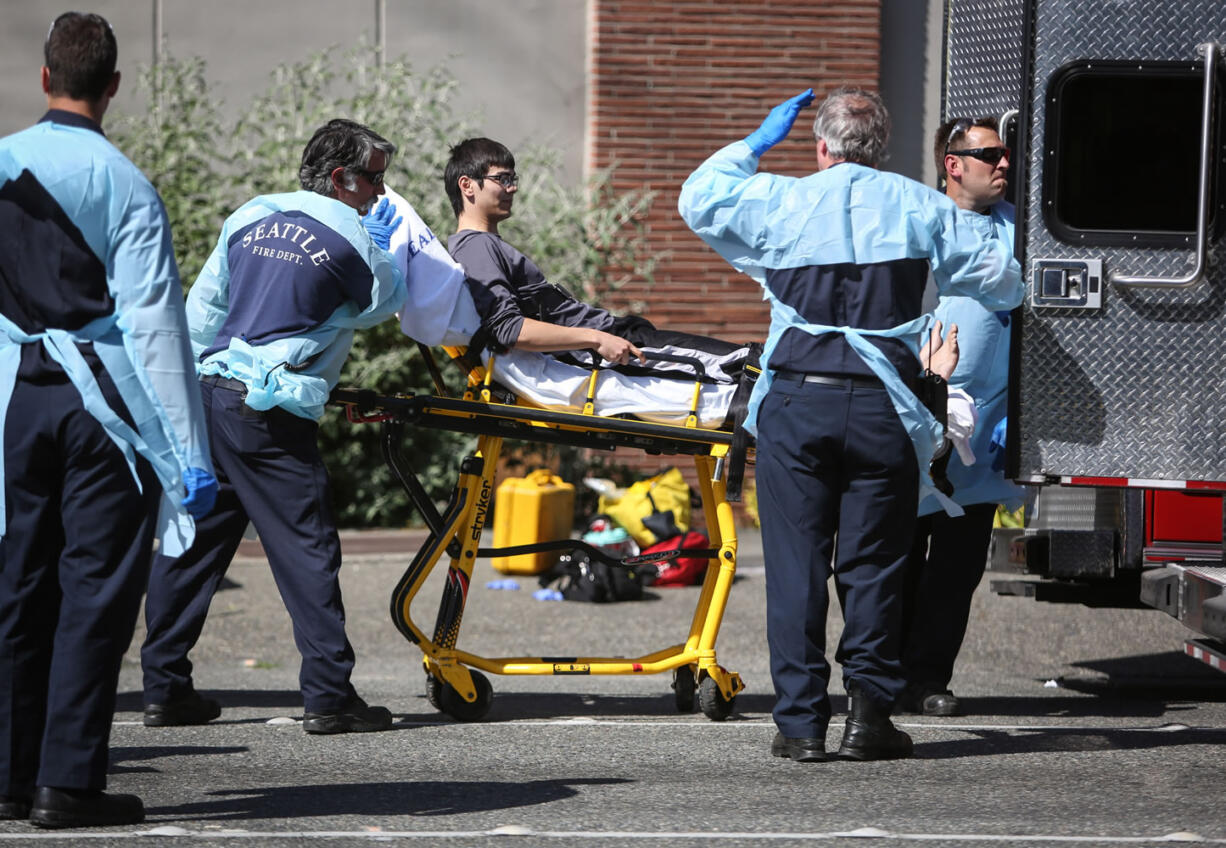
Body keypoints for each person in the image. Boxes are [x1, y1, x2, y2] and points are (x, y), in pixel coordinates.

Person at [679, 87, 1022, 763]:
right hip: (883, 405)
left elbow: (699, 198)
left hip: (797, 401)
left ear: (821, 147)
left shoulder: (781, 198)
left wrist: (754, 143)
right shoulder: (920, 204)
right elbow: (1003, 282)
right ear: (884, 145)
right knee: (873, 566)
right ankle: (869, 719)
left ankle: (801, 724)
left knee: (796, 565)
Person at [0, 12, 216, 828]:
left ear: (45, 76)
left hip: (12, 397)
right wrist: (191, 455)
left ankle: (7, 776)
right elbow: (156, 323)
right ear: (114, 86)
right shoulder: (125, 183)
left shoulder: (2, 163)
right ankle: (67, 782)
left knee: (15, 584)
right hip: (105, 409)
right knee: (95, 590)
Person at [139, 119, 407, 736]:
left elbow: (200, 315)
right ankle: (329, 695)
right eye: (373, 178)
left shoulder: (248, 216)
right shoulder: (355, 240)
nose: (380, 194)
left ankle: (163, 688)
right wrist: (385, 252)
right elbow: (382, 306)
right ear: (340, 178)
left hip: (211, 396)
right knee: (307, 548)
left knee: (194, 545)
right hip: (271, 413)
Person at [443, 137, 754, 388]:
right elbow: (509, 328)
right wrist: (597, 338)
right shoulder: (476, 247)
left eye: (513, 178)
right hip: (606, 348)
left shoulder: (484, 245)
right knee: (746, 365)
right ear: (467, 185)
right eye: (502, 179)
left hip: (615, 334)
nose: (513, 188)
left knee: (748, 363)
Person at [897, 117, 1026, 717]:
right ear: (953, 163)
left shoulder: (1019, 228)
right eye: (991, 154)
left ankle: (927, 680)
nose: (1004, 164)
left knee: (957, 565)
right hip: (918, 415)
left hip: (986, 431)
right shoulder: (919, 221)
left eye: (1006, 155)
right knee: (894, 555)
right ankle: (878, 673)